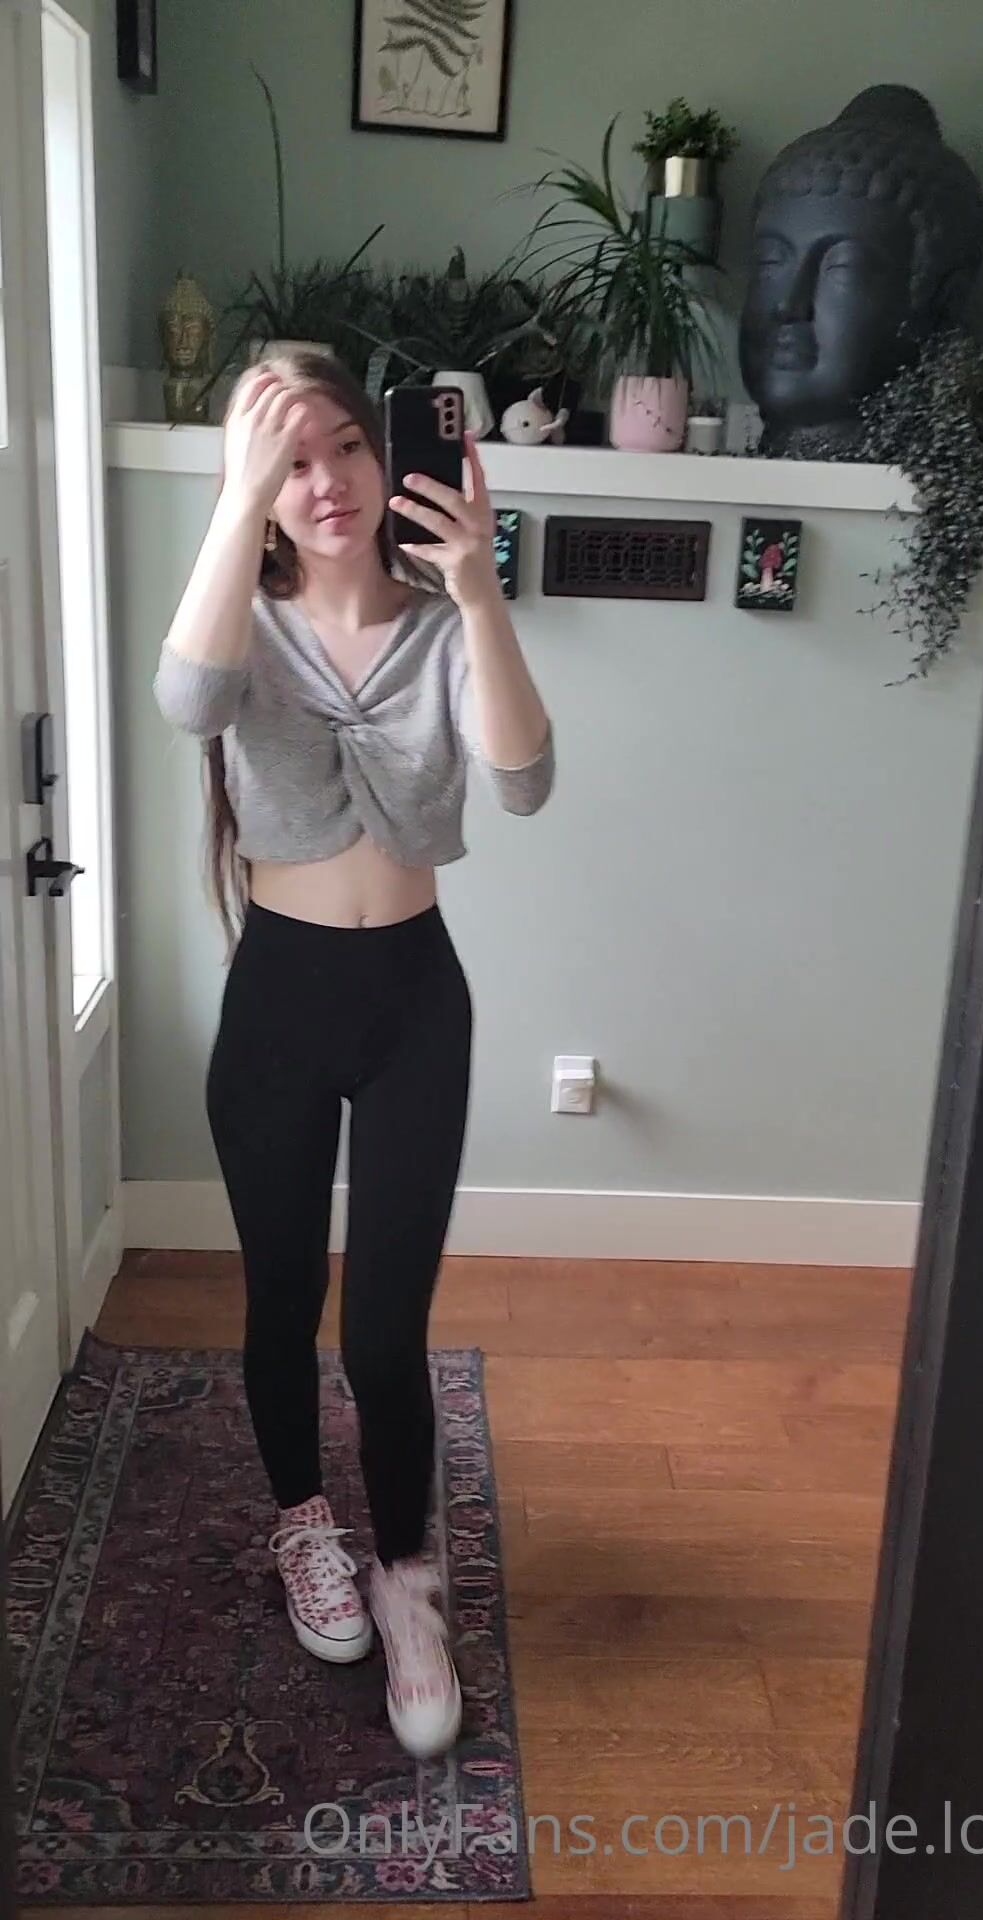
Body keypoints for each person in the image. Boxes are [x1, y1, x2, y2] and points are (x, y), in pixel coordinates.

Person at [152, 350, 554, 1760]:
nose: (324, 481)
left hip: (411, 1006)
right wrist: (234, 500)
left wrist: (482, 590)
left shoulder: (443, 627)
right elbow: (188, 702)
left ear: (388, 459)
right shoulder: (242, 623)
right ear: (255, 486)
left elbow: (524, 781)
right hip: (280, 998)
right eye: (288, 458)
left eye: (344, 447)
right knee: (281, 1299)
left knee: (384, 1332)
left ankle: (405, 1579)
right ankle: (301, 1525)